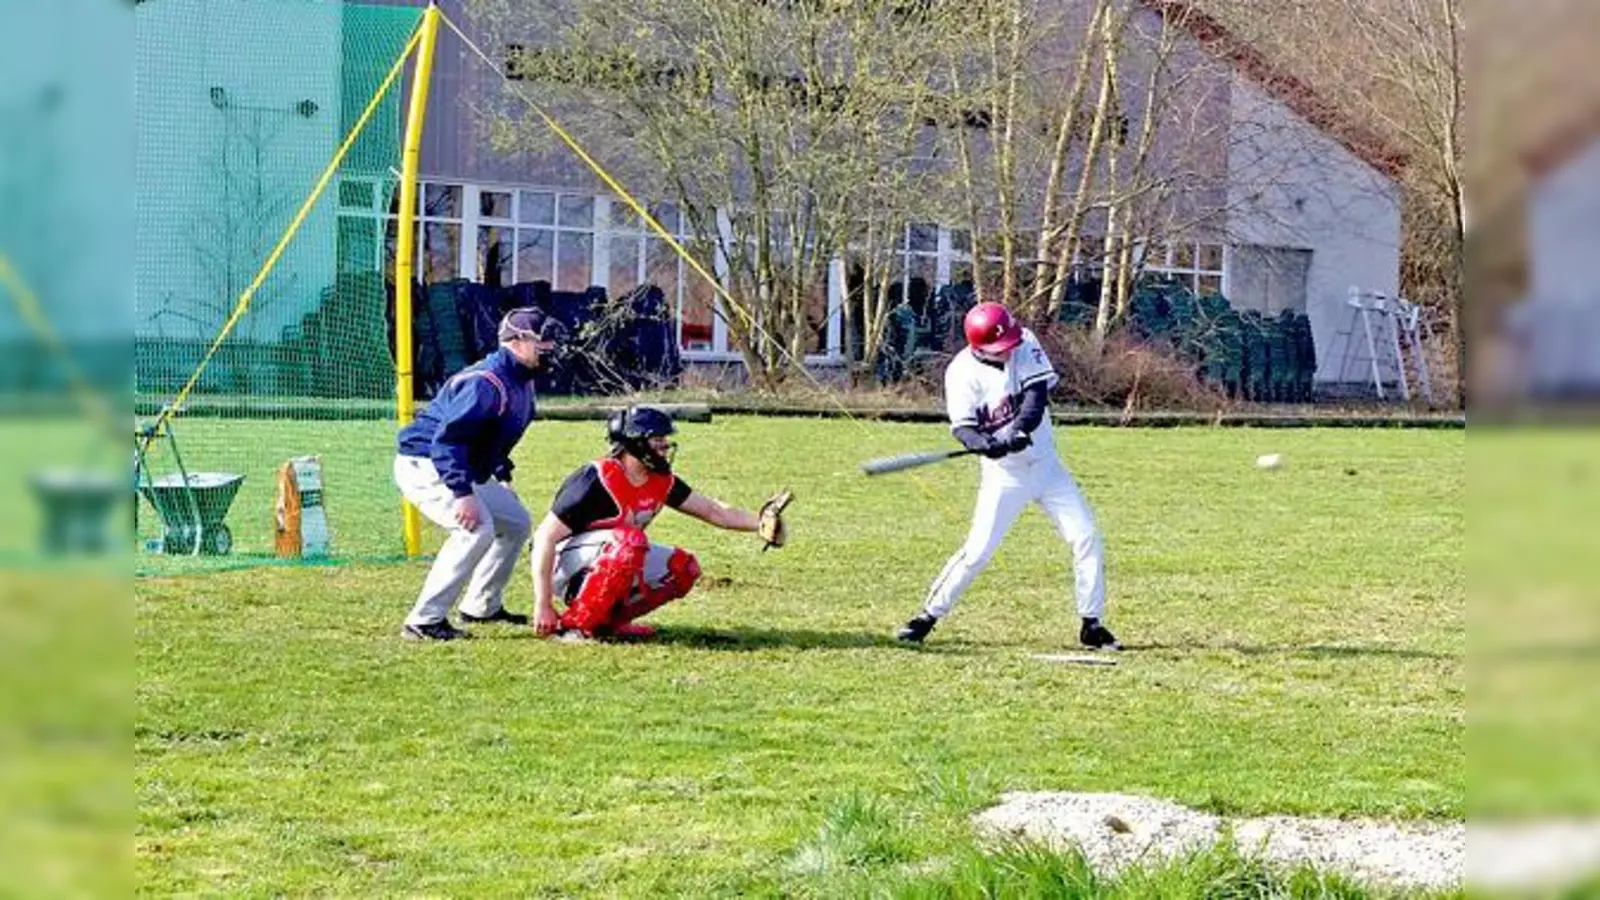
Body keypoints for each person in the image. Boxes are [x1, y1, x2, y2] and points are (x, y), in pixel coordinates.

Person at [896, 301, 1119, 650]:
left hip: (1047, 467)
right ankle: (926, 617)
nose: (1008, 352)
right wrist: (986, 445)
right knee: (977, 551)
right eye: (999, 349)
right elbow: (964, 428)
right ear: (977, 346)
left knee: (1086, 537)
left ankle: (1091, 624)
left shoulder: (1024, 341)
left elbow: (1036, 397)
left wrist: (1017, 430)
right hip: (1004, 477)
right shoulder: (960, 373)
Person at [529, 405, 791, 640]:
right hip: (562, 566)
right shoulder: (595, 479)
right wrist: (543, 603)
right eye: (658, 440)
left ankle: (610, 623)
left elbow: (714, 511)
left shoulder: (659, 481)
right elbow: (543, 538)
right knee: (629, 541)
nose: (666, 447)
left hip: (609, 555)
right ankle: (576, 626)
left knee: (683, 568)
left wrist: (762, 524)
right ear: (636, 444)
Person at [392, 307, 563, 641]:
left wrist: (501, 476)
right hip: (426, 462)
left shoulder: (522, 380)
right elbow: (447, 442)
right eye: (542, 341)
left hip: (459, 463)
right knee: (475, 528)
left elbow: (493, 438)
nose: (550, 347)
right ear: (515, 342)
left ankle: (480, 605)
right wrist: (463, 494)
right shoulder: (486, 383)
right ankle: (424, 621)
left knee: (515, 522)